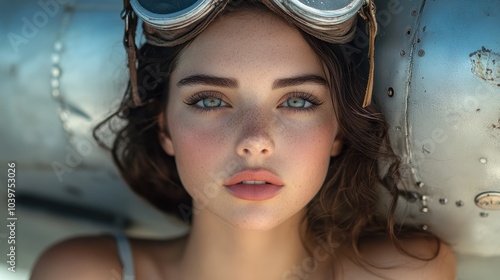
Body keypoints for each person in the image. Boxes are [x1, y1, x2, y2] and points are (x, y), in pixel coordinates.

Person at [31, 1, 456, 279]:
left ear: (338, 131)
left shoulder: (406, 272)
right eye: (211, 100)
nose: (255, 141)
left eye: (298, 102)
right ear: (164, 127)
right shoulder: (82, 272)